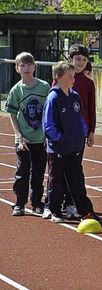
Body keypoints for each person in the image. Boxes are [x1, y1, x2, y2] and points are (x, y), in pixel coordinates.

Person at [43, 44, 102, 222]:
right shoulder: (54, 97)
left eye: (73, 76)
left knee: (77, 180)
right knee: (57, 180)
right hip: (59, 147)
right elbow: (48, 124)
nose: (73, 79)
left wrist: (85, 132)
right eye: (69, 77)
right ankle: (53, 209)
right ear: (59, 78)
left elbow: (81, 118)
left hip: (75, 145)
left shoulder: (76, 95)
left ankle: (83, 210)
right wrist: (59, 139)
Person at [4, 52, 50, 216]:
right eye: (22, 65)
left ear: (34, 66)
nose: (26, 68)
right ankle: (19, 203)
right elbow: (12, 115)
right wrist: (19, 136)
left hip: (41, 138)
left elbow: (49, 111)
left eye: (29, 65)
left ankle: (37, 203)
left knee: (38, 173)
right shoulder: (16, 90)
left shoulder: (44, 86)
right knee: (22, 173)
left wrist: (48, 134)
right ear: (17, 68)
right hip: (24, 140)